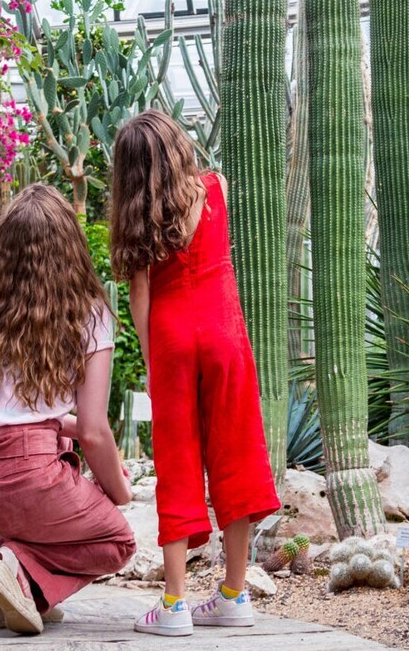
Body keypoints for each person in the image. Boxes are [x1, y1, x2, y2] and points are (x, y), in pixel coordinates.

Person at [0, 184, 135, 636]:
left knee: (47, 456)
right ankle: (19, 572)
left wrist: (66, 436)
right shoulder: (89, 316)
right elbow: (94, 432)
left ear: (4, 246)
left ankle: (3, 598)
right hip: (18, 480)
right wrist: (116, 490)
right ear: (70, 247)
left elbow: (14, 414)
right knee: (116, 539)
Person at [107, 110, 280, 637]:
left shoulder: (137, 219)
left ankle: (175, 605)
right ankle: (233, 593)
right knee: (237, 452)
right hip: (226, 335)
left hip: (172, 340)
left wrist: (153, 352)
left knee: (178, 462)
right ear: (178, 146)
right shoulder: (216, 187)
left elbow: (141, 296)